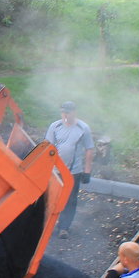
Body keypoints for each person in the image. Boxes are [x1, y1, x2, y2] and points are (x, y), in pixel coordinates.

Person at [43, 100, 94, 236]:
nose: (65, 115)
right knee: (51, 197)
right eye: (63, 112)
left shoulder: (83, 128)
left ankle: (64, 228)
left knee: (70, 199)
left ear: (74, 112)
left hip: (74, 171)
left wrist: (87, 171)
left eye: (68, 112)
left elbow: (89, 149)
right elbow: (48, 147)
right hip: (55, 171)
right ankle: (46, 225)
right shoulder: (55, 126)